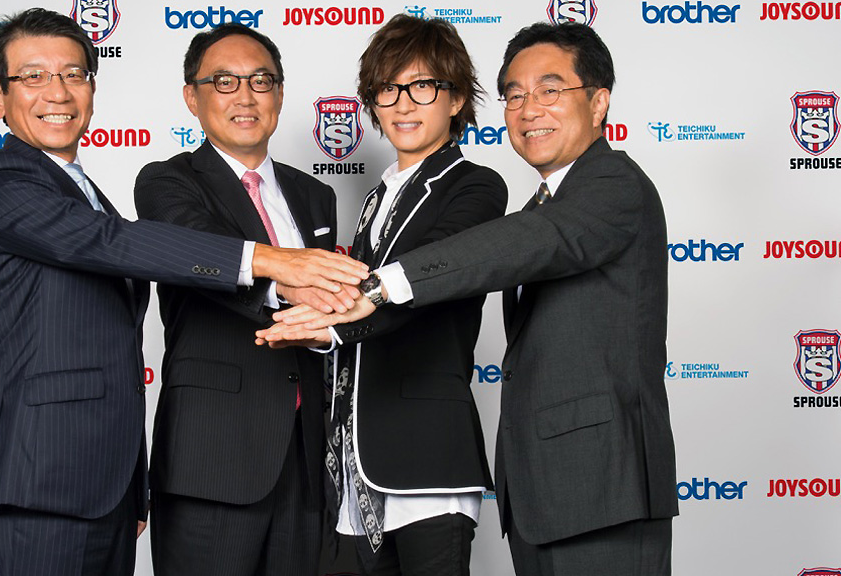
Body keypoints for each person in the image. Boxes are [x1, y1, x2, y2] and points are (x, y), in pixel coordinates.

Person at [261, 22, 678, 576]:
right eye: (515, 95)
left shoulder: (611, 185)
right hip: (544, 491)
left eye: (550, 90)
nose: (529, 109)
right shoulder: (539, 205)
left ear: (599, 102)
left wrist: (378, 288)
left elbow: (522, 244)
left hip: (603, 484)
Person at [0, 9, 365, 576]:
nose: (58, 91)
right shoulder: (3, 182)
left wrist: (132, 484)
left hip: (109, 486)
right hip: (45, 479)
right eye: (33, 76)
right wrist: (274, 260)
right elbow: (113, 243)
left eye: (74, 74)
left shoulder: (85, 192)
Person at [264, 14, 506, 576]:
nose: (402, 104)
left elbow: (420, 280)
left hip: (427, 457)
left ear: (456, 99)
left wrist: (330, 324)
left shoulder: (476, 186)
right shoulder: (377, 196)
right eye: (388, 89)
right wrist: (312, 321)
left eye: (422, 86)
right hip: (354, 463)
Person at [132, 23, 347, 576]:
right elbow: (201, 253)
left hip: (306, 458)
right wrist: (288, 279)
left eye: (260, 80)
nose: (245, 96)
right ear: (192, 97)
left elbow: (331, 309)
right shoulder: (166, 183)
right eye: (224, 82)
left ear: (280, 93)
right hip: (213, 459)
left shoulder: (315, 194)